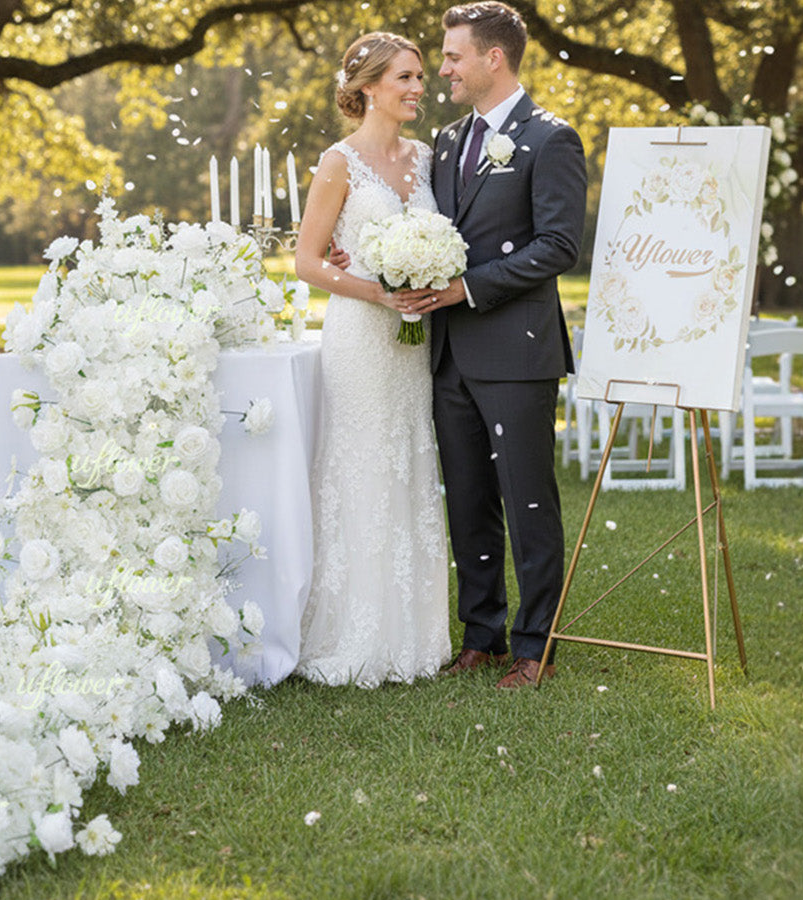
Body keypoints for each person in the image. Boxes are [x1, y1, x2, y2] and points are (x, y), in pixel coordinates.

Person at [401, 2, 587, 688]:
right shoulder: (449, 141)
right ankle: (482, 635)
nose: (443, 70)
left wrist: (468, 288)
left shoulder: (551, 139)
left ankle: (536, 646)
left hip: (517, 351)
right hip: (450, 353)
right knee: (469, 499)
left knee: (528, 500)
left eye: (453, 57)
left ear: (493, 58)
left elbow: (558, 246)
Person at [290, 32, 451, 687]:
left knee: (410, 460)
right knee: (361, 466)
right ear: (368, 87)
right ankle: (353, 630)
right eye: (405, 77)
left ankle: (414, 631)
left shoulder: (429, 157)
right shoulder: (339, 163)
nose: (418, 87)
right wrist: (377, 291)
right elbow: (307, 262)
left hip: (415, 340)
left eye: (420, 76)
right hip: (360, 335)